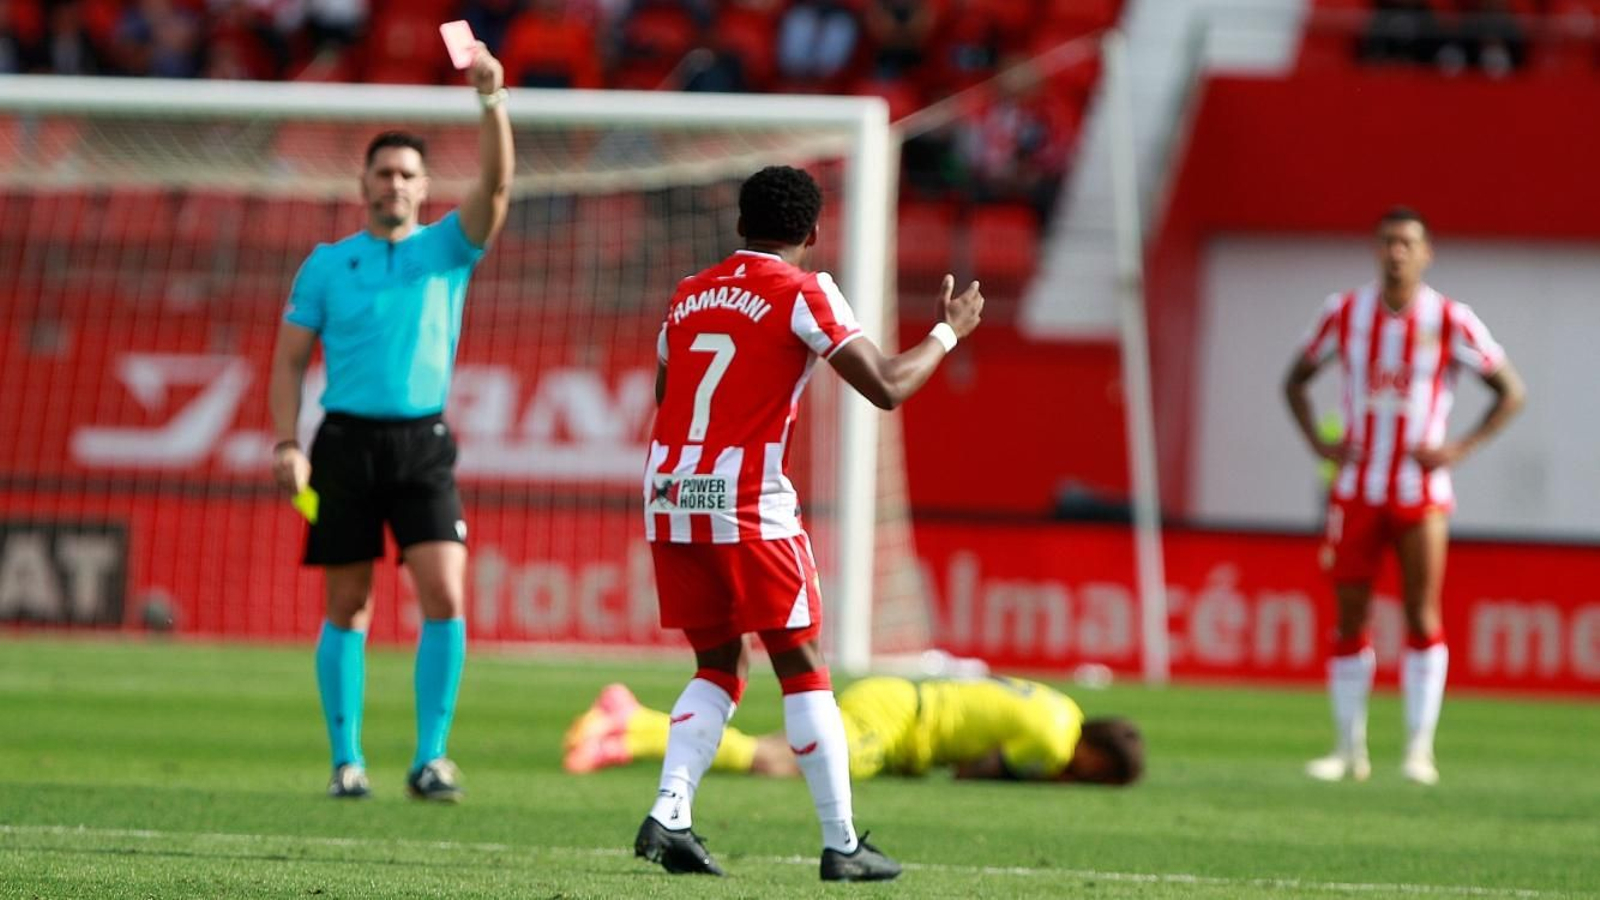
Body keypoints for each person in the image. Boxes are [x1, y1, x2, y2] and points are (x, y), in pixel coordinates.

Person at [634, 165, 983, 881]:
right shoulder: (803, 290)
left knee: (720, 664)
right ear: (815, 233)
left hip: (670, 493)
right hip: (745, 499)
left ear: (739, 226)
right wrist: (948, 334)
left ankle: (671, 814)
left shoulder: (688, 294)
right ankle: (842, 842)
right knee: (802, 665)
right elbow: (885, 386)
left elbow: (667, 391)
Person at [266, 42, 513, 802]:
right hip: (343, 444)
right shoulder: (325, 264)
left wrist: (491, 100)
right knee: (349, 605)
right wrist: (286, 443)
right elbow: (287, 364)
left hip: (422, 445)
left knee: (445, 593)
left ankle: (431, 757)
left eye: (408, 174)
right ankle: (347, 761)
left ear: (423, 186)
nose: (395, 184)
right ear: (364, 184)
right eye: (384, 173)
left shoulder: (447, 248)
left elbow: (498, 185)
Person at [1283, 206, 1524, 787]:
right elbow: (1295, 379)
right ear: (1376, 249)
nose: (1396, 252)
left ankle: (1419, 750)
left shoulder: (1450, 318)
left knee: (1422, 611)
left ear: (1426, 253)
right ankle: (1347, 750)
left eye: (1407, 243)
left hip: (1421, 491)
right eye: (1388, 242)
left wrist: (1460, 449)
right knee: (1350, 617)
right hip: (1357, 489)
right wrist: (1320, 442)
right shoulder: (1344, 313)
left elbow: (1509, 390)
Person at [565, 676, 1144, 788]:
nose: (1094, 781)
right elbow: (975, 771)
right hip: (897, 724)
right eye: (1104, 776)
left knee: (776, 752)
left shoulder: (1062, 709)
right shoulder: (1052, 745)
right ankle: (630, 725)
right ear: (1096, 757)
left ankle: (628, 726)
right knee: (777, 761)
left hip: (899, 697)